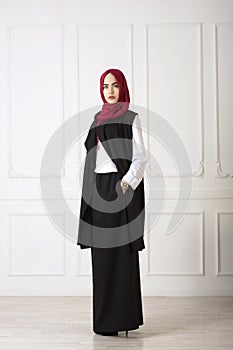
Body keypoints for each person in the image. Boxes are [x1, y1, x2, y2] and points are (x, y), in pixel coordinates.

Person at [77, 68, 147, 337]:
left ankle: (124, 319)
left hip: (120, 189)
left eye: (115, 85)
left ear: (123, 88)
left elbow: (140, 158)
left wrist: (126, 183)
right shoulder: (97, 119)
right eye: (105, 86)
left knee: (121, 255)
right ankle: (105, 323)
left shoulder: (131, 118)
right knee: (102, 257)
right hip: (97, 191)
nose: (110, 90)